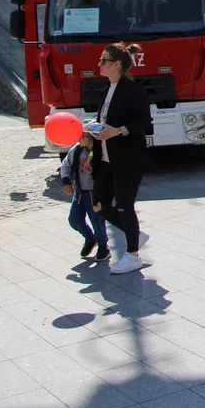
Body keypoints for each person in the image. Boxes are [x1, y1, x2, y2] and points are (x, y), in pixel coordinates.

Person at [90, 43, 153, 274]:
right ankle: (135, 235)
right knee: (99, 205)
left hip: (128, 158)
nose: (99, 64)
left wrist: (116, 131)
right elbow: (107, 122)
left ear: (116, 64)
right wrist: (94, 128)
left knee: (125, 206)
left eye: (103, 60)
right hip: (105, 158)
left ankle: (133, 255)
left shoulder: (132, 89)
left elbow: (144, 123)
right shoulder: (107, 90)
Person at [61, 131, 110, 262]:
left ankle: (103, 247)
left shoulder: (101, 150)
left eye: (83, 136)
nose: (79, 138)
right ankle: (90, 238)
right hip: (80, 193)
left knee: (97, 222)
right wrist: (66, 182)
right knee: (74, 220)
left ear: (91, 138)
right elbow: (65, 165)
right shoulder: (76, 150)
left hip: (96, 193)